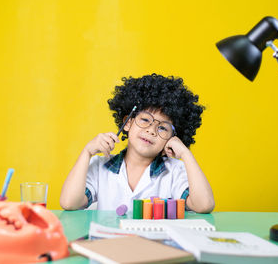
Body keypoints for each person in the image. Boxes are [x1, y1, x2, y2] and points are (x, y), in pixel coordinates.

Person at [60, 74, 214, 213]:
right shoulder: (100, 166)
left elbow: (204, 205)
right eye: (145, 120)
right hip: (111, 243)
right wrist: (86, 152)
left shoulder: (175, 170)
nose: (151, 131)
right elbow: (69, 203)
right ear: (127, 123)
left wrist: (186, 154)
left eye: (162, 128)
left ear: (172, 138)